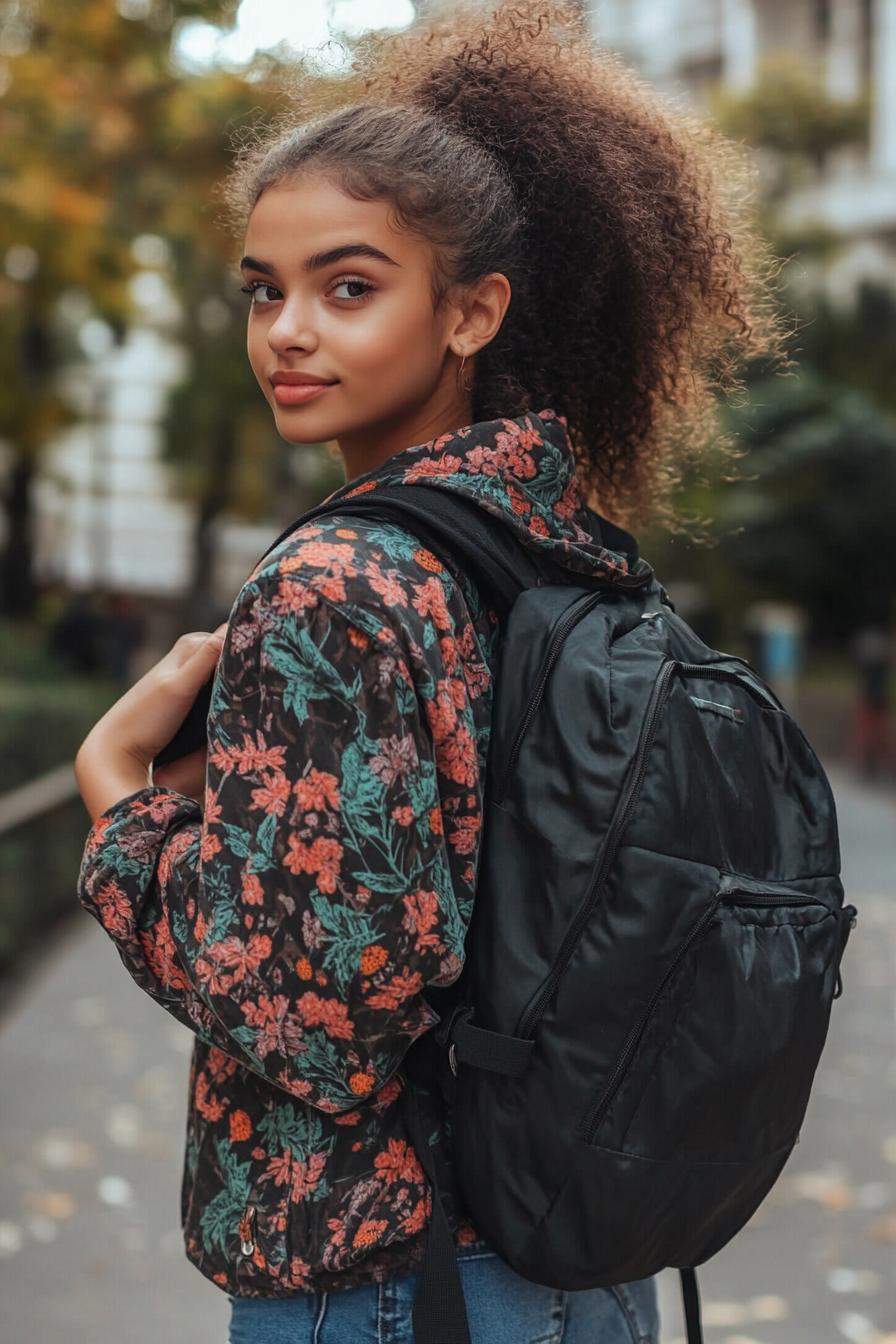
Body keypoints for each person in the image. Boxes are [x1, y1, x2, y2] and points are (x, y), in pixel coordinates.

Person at [73, 4, 784, 1340]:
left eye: (348, 287)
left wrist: (121, 804)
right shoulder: (561, 552)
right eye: (263, 289)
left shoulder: (335, 581)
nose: (287, 330)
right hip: (576, 1252)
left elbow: (319, 1015)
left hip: (385, 1274)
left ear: (472, 312)